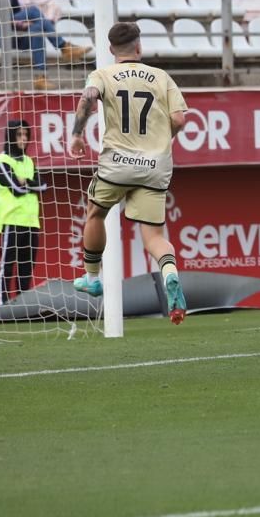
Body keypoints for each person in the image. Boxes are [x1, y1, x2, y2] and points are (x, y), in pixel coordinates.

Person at [67, 21, 191, 322]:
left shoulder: (103, 74)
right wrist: (163, 139)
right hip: (155, 166)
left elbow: (88, 99)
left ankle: (92, 276)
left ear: (110, 50)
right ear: (139, 47)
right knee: (154, 236)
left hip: (118, 164)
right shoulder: (161, 77)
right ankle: (170, 272)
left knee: (96, 213)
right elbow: (179, 119)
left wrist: (78, 134)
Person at [0, 119, 47, 303]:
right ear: (10, 136)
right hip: (12, 220)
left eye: (26, 135)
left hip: (31, 222)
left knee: (26, 268)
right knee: (6, 266)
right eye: (19, 135)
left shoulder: (29, 161)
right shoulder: (2, 161)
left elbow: (43, 186)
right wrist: (28, 184)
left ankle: (22, 306)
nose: (23, 138)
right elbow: (16, 189)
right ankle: (3, 305)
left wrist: (27, 182)